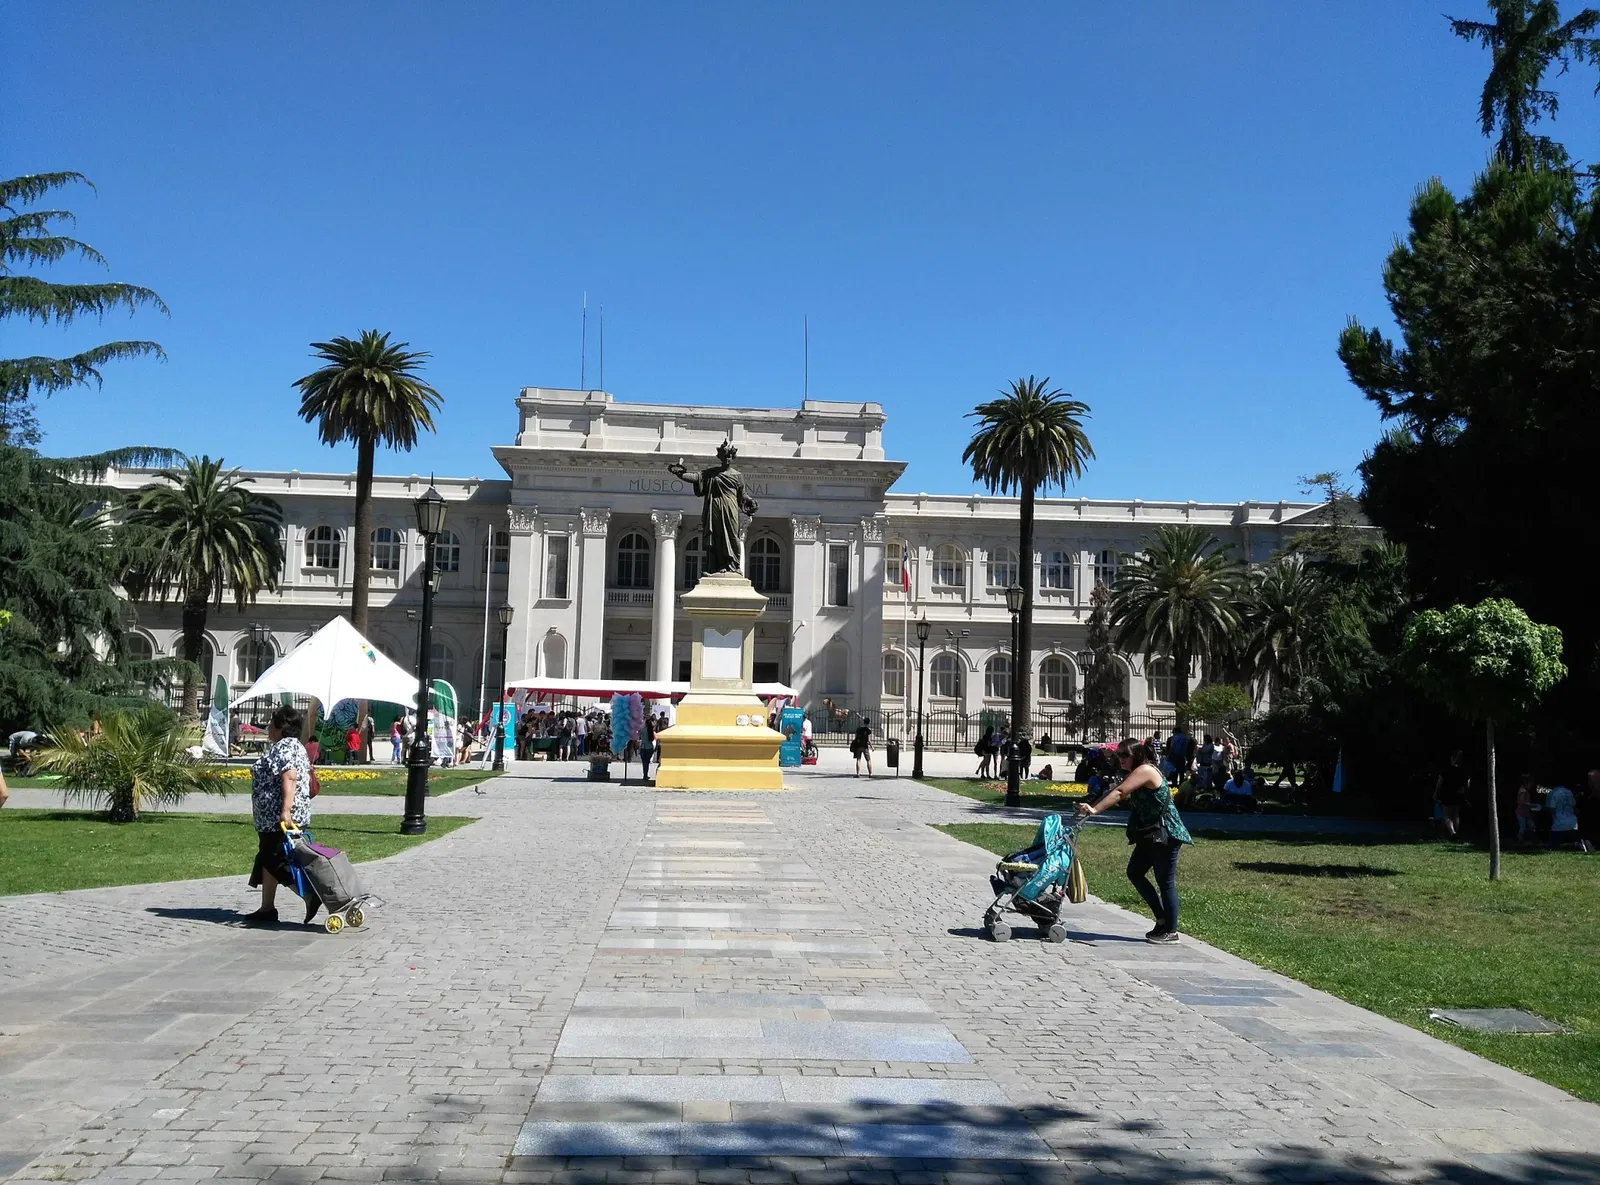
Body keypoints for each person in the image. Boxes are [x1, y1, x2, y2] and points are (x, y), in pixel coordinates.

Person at [1077, 737, 1193, 943]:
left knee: (1165, 882)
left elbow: (1120, 792)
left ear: (1137, 755)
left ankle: (1171, 931)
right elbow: (1114, 791)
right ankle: (1161, 918)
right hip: (1150, 834)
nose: (1119, 759)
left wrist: (1095, 810)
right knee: (1135, 873)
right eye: (1117, 754)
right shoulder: (1135, 773)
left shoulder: (1146, 771)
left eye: (1124, 755)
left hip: (1165, 834)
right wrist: (1091, 805)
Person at [245, 706, 316, 927]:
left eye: (271, 724)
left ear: (280, 728)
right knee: (268, 858)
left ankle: (310, 896)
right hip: (274, 817)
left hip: (280, 817)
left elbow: (290, 777)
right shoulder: (295, 746)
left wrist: (285, 810)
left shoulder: (284, 747)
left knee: (274, 859)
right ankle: (267, 907)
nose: (268, 728)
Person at [1435, 751, 1469, 840]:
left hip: (1447, 794)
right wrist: (1465, 793)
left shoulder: (1446, 770)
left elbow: (1439, 783)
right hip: (1458, 794)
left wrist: (1436, 793)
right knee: (1456, 815)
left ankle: (1452, 832)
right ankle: (1455, 834)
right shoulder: (1463, 771)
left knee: (1446, 815)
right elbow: (1467, 783)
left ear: (1452, 759)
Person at [1546, 782, 1582, 850]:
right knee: (1574, 847)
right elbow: (1574, 808)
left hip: (1558, 826)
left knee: (1555, 847)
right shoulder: (1569, 792)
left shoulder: (1553, 793)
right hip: (1572, 824)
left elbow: (1551, 810)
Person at [1515, 773, 1539, 844]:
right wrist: (1532, 805)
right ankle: (1519, 842)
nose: (1531, 786)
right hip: (1521, 812)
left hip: (1526, 812)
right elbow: (1522, 802)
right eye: (1530, 784)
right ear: (1526, 783)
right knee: (1522, 828)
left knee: (1532, 826)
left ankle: (1533, 841)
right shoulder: (1523, 791)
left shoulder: (1524, 790)